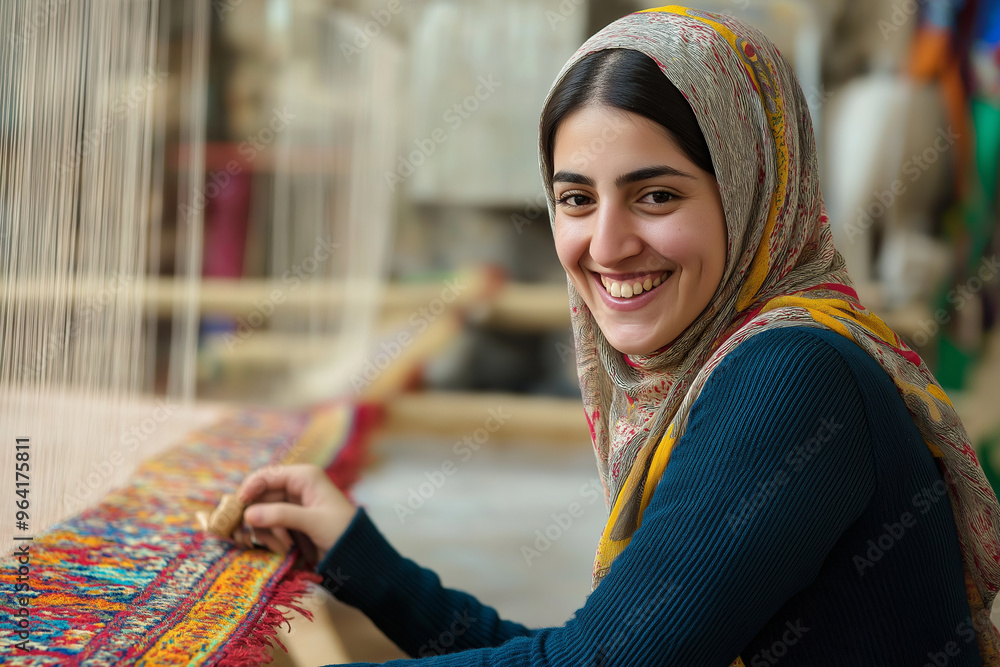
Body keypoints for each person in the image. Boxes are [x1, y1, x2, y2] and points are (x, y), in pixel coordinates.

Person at [233, 7, 1000, 665]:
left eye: (656, 195)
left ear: (752, 188)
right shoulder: (746, 360)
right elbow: (598, 647)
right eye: (575, 198)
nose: (606, 245)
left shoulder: (794, 376)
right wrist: (359, 560)